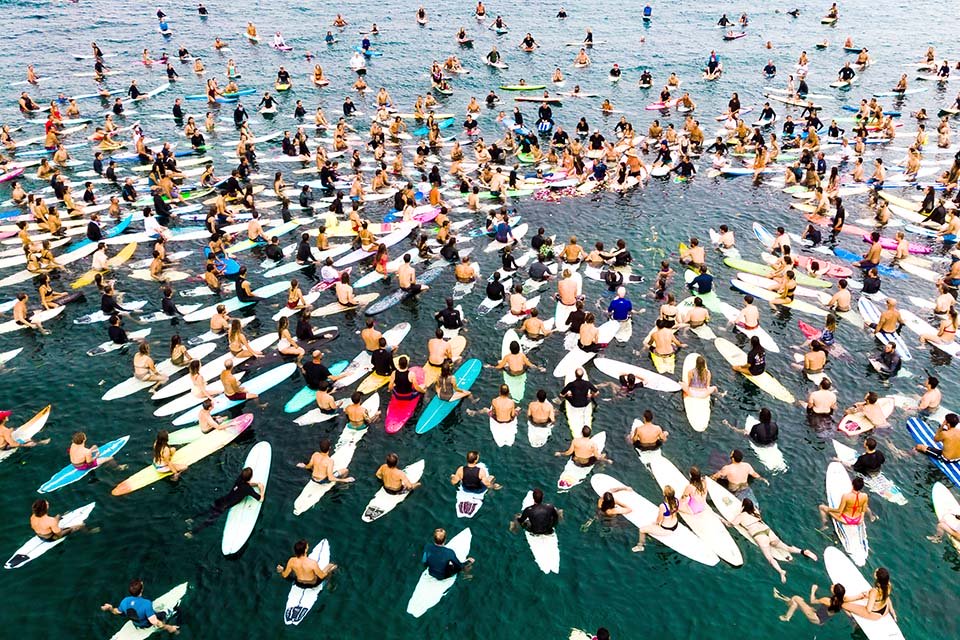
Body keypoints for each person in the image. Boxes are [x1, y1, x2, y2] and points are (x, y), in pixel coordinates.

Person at [728, 499, 817, 583]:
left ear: (743, 506)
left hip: (760, 536)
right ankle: (804, 551)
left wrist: (722, 520)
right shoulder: (755, 512)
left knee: (770, 558)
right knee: (787, 548)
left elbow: (730, 524)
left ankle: (781, 571)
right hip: (769, 532)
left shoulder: (741, 515)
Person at [185, 466, 264, 536]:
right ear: (250, 477)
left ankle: (191, 519)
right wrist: (261, 489)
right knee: (209, 521)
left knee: (208, 510)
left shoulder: (239, 479)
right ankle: (191, 533)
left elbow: (246, 484)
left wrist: (256, 484)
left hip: (221, 500)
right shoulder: (248, 489)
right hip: (224, 507)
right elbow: (260, 499)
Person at [100, 579, 179, 634]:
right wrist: (170, 628)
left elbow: (116, 612)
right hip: (147, 625)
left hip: (137, 624)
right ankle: (172, 611)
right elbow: (155, 622)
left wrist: (110, 608)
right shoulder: (146, 603)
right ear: (141, 590)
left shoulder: (125, 601)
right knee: (170, 611)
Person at [774, 583, 846, 625]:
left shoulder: (827, 600)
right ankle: (780, 597)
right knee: (797, 603)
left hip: (815, 617)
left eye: (833, 586)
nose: (832, 585)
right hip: (822, 619)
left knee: (796, 598)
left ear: (834, 592)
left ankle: (787, 617)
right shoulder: (841, 601)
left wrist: (813, 590)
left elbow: (812, 601)